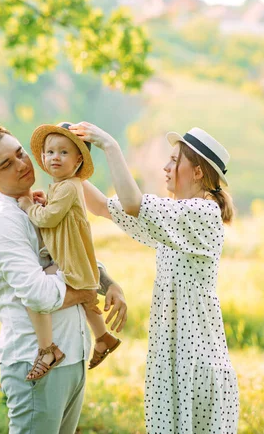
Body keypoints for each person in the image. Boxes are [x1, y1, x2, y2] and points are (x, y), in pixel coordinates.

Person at [69, 122, 239, 434]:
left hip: (195, 360)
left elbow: (133, 203)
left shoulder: (203, 212)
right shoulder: (175, 216)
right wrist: (69, 166)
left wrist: (110, 145)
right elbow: (105, 207)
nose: (165, 166)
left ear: (198, 171)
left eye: (174, 160)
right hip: (172, 356)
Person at [0, 125, 127, 434]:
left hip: (74, 355)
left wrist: (108, 284)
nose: (21, 164)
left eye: (20, 154)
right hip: (35, 363)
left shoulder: (44, 203)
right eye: (6, 164)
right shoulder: (1, 222)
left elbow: (72, 254)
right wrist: (85, 294)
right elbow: (39, 294)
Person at [17, 122, 121, 381]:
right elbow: (58, 212)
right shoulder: (64, 186)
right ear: (42, 157)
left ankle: (48, 349)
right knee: (87, 301)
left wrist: (30, 206)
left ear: (77, 161)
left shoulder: (68, 186)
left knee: (36, 297)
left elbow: (49, 219)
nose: (55, 157)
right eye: (50, 152)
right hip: (73, 257)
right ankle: (104, 337)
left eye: (64, 153)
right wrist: (45, 202)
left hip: (69, 260)